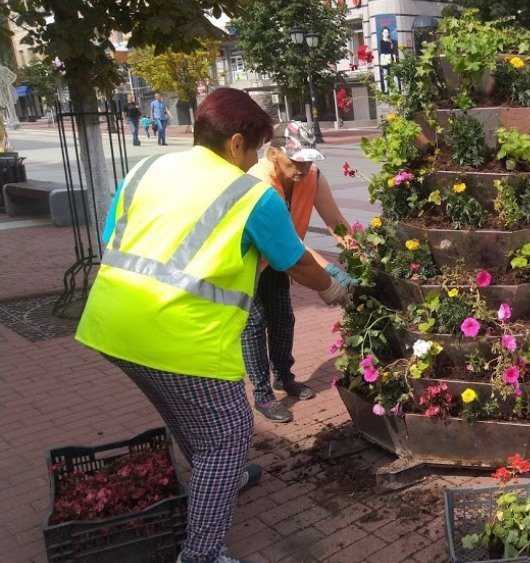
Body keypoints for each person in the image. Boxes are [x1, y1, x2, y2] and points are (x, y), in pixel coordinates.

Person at [75, 87, 355, 563]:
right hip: (180, 337)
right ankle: (201, 552)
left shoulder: (146, 169)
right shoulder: (250, 195)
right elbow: (297, 264)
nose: (254, 161)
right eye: (255, 148)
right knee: (228, 434)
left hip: (109, 325)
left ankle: (222, 474)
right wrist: (336, 289)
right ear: (236, 143)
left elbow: (113, 238)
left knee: (193, 419)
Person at [242, 121, 353, 423]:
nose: (303, 166)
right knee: (254, 325)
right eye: (296, 160)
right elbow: (288, 245)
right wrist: (330, 276)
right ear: (274, 154)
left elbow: (336, 223)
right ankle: (263, 395)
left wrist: (357, 256)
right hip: (247, 264)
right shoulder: (257, 185)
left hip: (280, 259)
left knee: (282, 319)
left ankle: (283, 377)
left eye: (308, 158)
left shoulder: (311, 177)